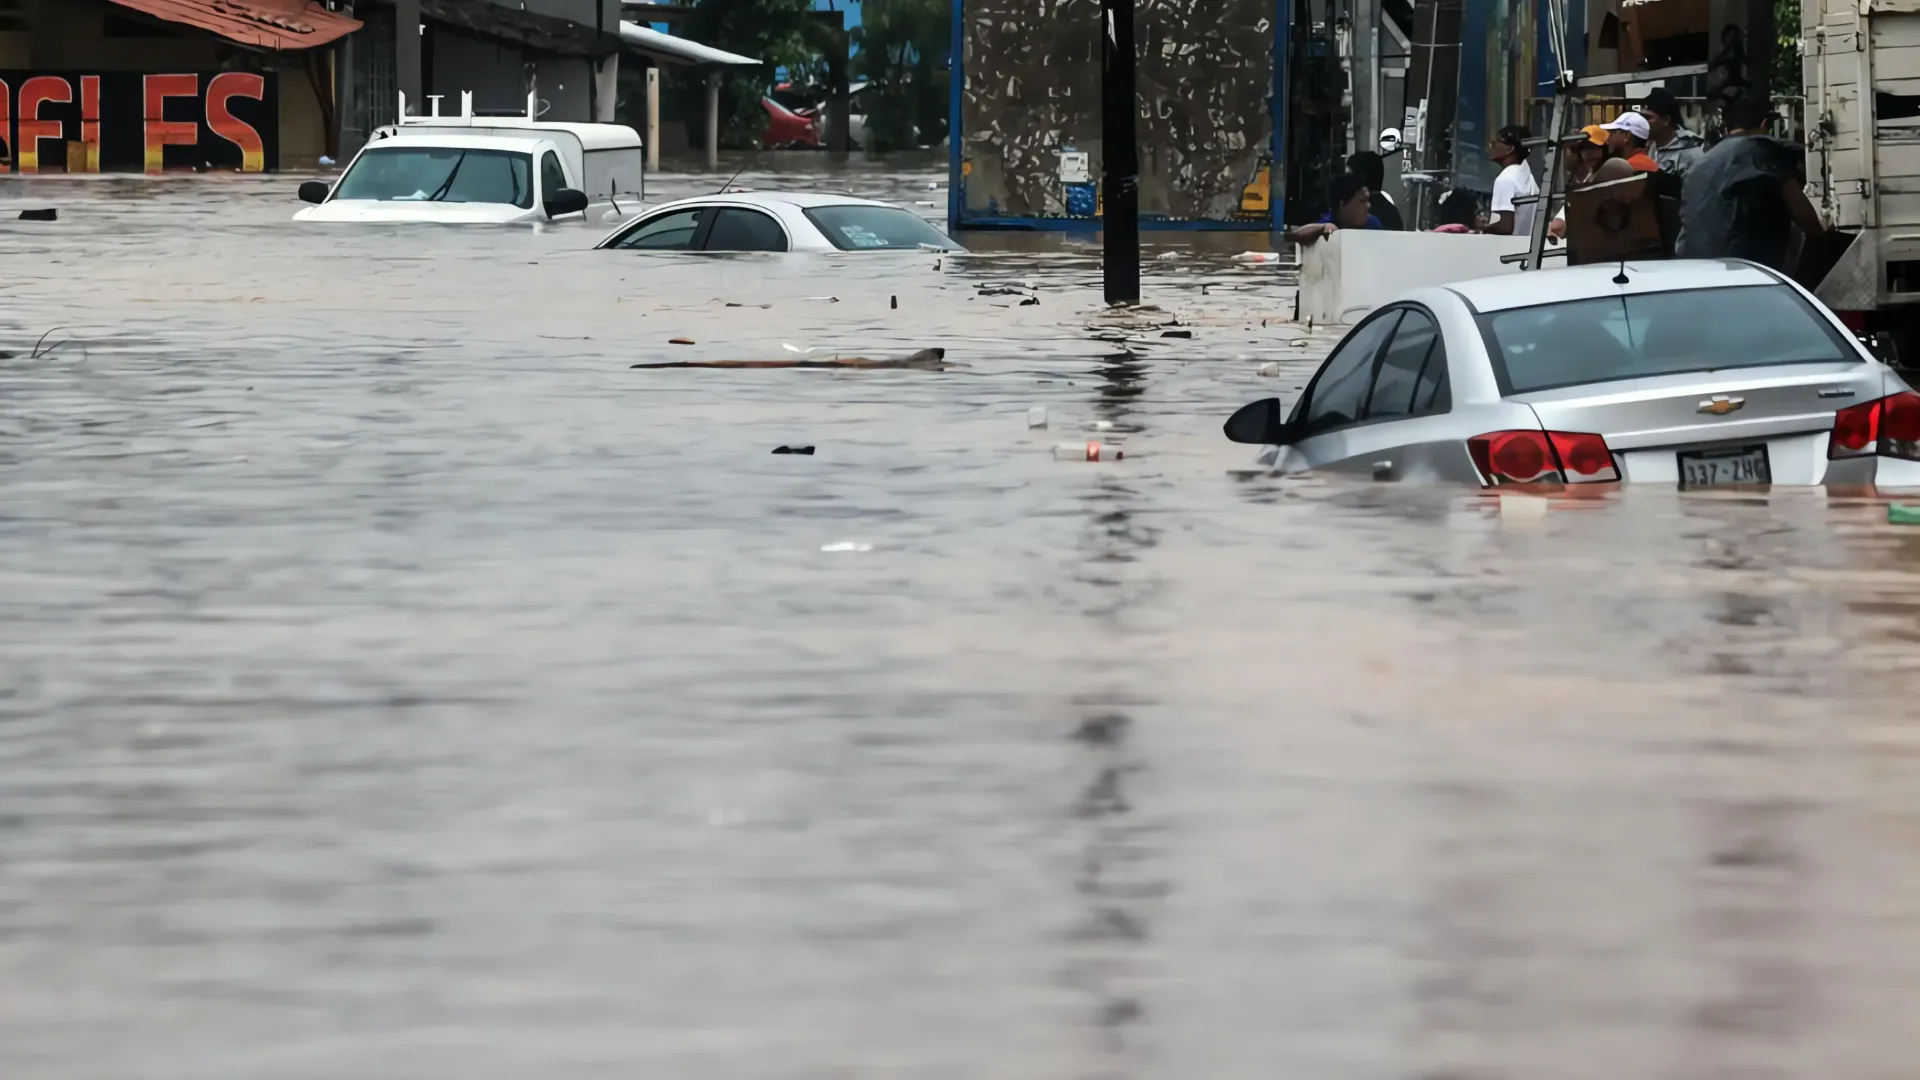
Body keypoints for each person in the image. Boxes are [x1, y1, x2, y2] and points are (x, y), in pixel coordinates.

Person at [1677, 95, 1825, 271]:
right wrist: (1824, 241)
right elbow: (1803, 216)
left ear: (1726, 130)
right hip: (1749, 272)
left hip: (1694, 268)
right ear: (1764, 124)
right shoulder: (1765, 150)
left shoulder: (1698, 165)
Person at [1547, 125, 1611, 242]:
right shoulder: (1578, 179)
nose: (1586, 152)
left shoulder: (1604, 177)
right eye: (1582, 148)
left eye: (1591, 147)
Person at [1289, 172, 1384, 244]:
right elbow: (1295, 236)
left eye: (1368, 200)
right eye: (1362, 201)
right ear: (1342, 205)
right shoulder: (1328, 223)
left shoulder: (1373, 224)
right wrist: (1321, 228)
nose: (1368, 206)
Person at [1639, 88, 1705, 177]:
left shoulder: (1689, 151)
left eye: (1648, 118)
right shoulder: (1651, 147)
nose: (1642, 122)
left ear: (1666, 120)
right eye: (1641, 117)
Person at [1486, 124, 1539, 236]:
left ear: (1510, 149)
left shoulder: (1505, 179)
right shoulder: (1529, 179)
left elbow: (1506, 227)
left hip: (1505, 250)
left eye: (1496, 142)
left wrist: (1483, 231)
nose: (1491, 146)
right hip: (1523, 248)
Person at [1345, 150, 1405, 230]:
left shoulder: (1358, 214)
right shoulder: (1391, 211)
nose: (1345, 180)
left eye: (1349, 175)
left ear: (1362, 178)